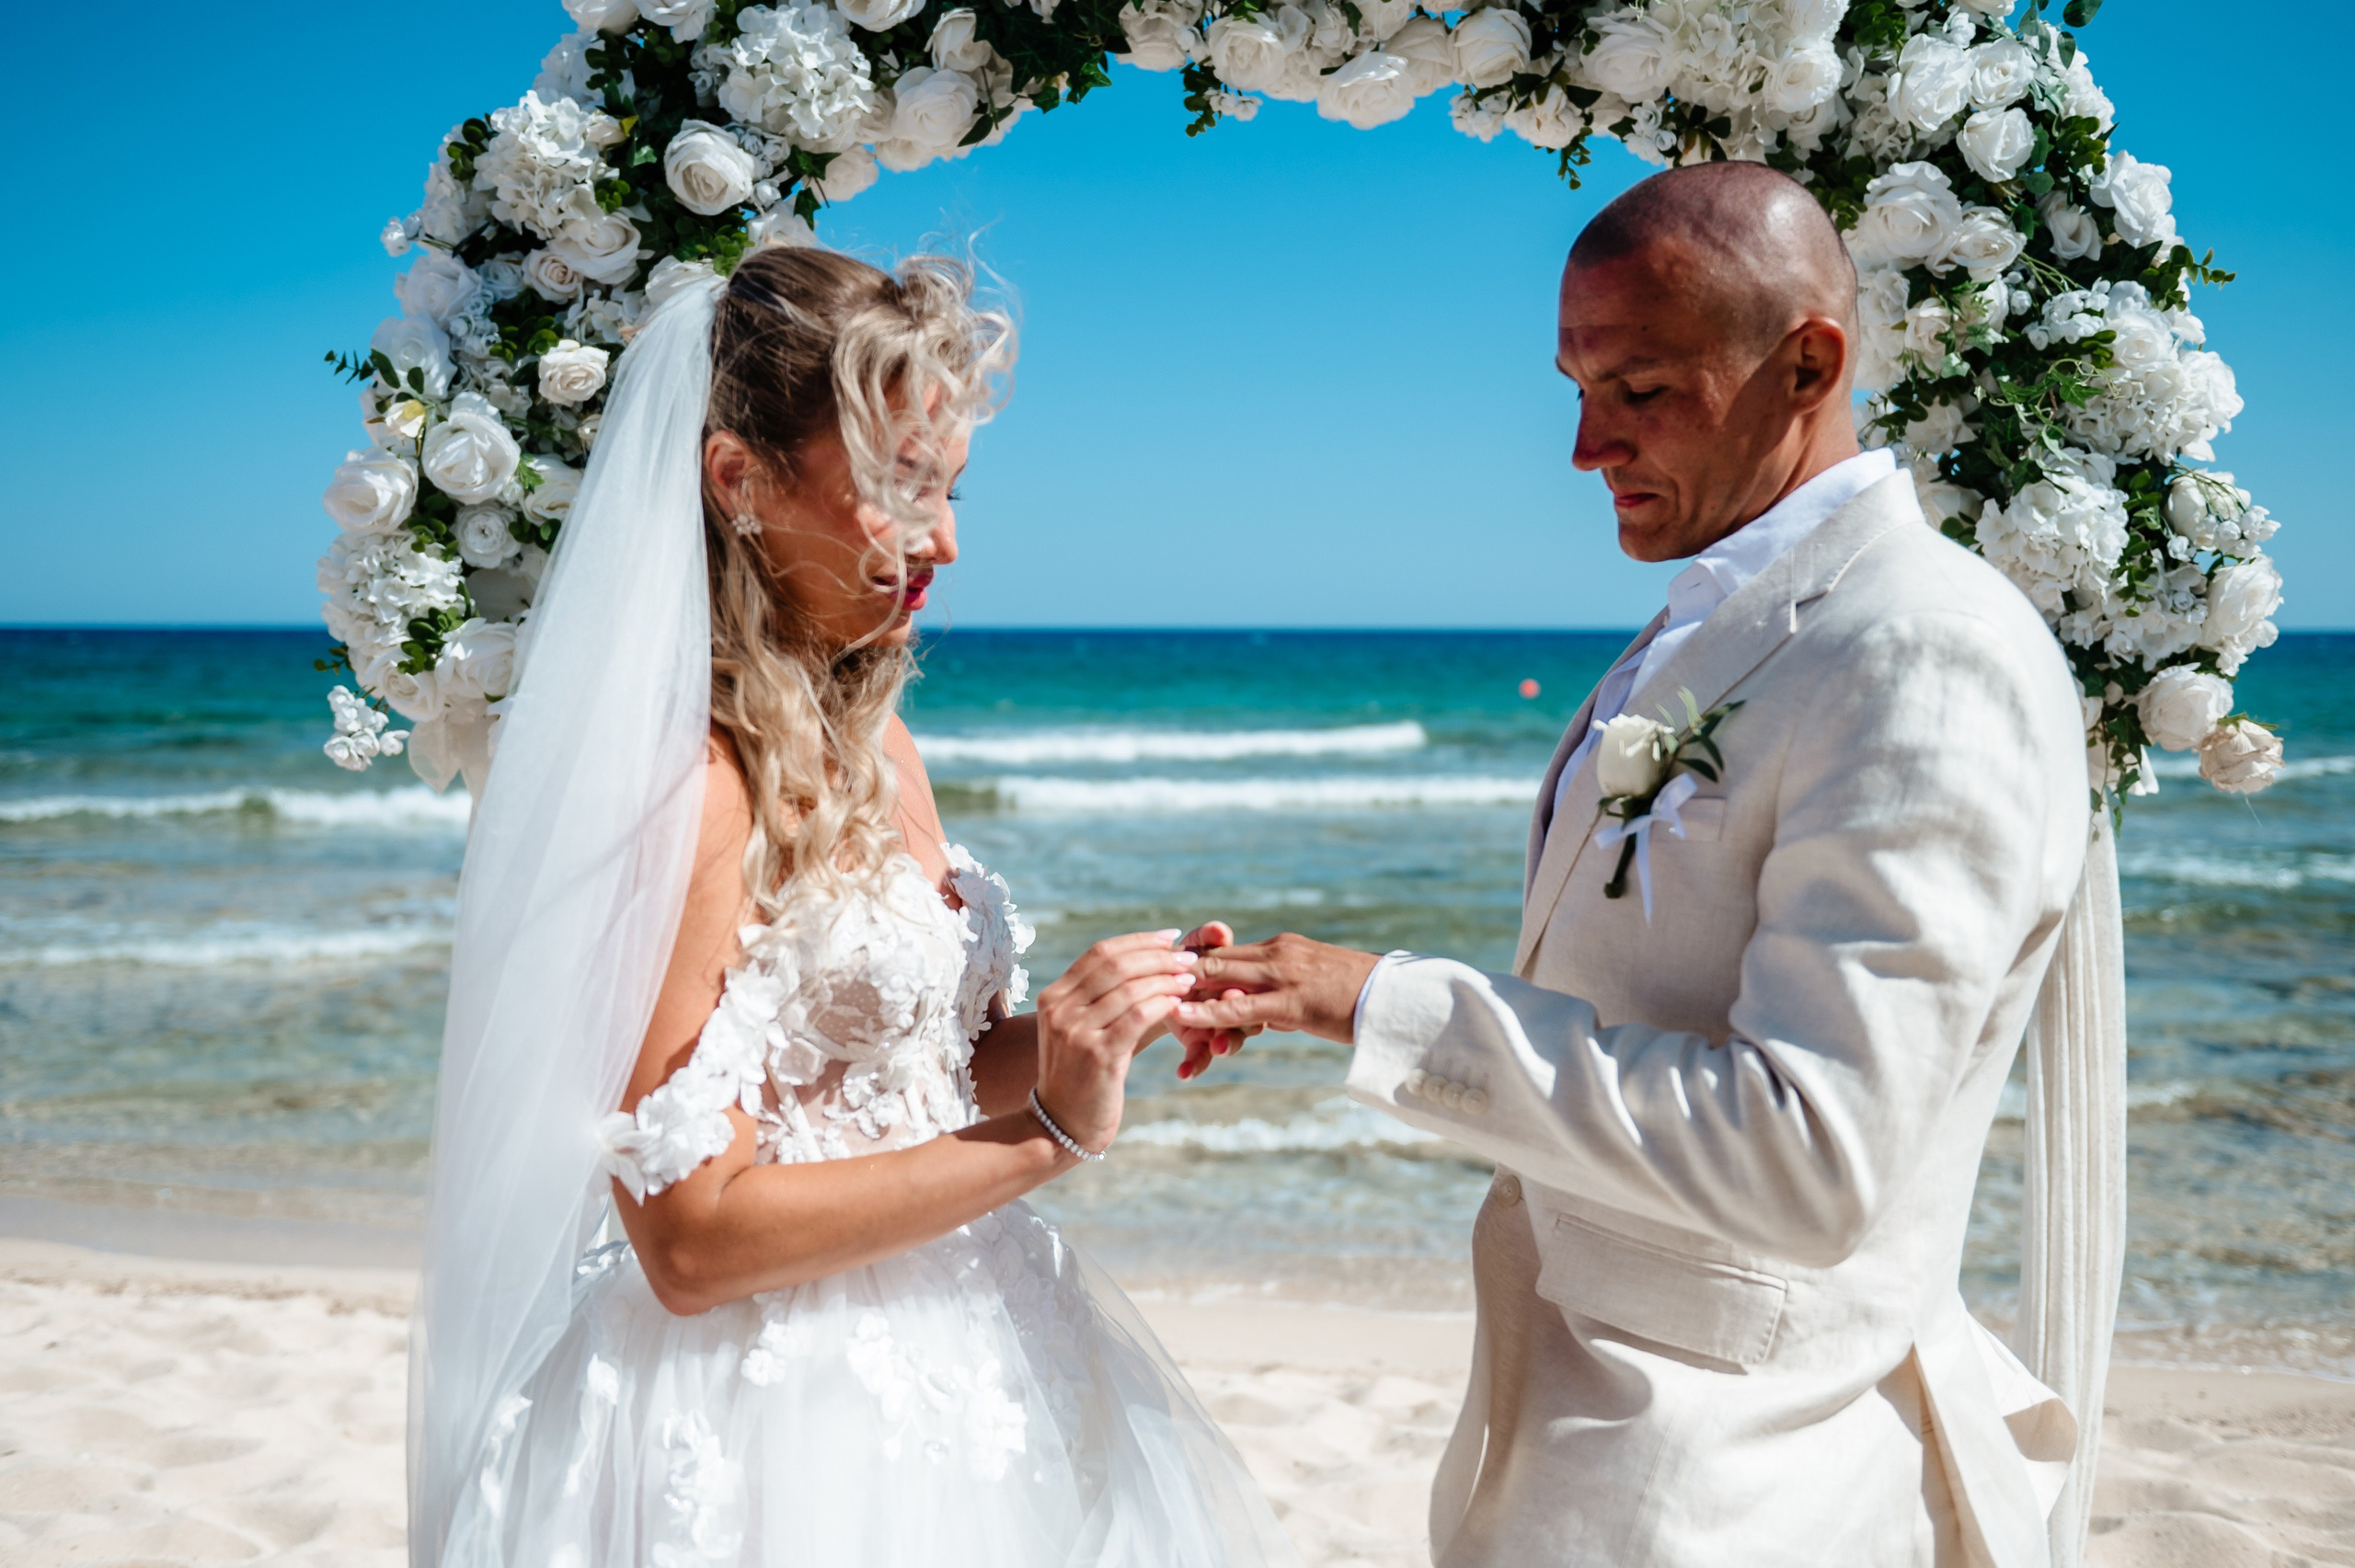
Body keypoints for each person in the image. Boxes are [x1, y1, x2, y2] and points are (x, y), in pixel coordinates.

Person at [1175, 163, 2091, 1566]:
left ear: (1808, 362)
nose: (1585, 446)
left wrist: (1386, 1004)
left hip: (1744, 1469)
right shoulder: (1720, 618)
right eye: (1576, 386)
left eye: (1641, 390)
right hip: (1582, 1420)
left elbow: (1810, 1153)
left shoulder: (1923, 650)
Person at [408, 245, 1298, 1567]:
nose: (947, 537)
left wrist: (1096, 1026)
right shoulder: (687, 788)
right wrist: (1051, 1133)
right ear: (740, 481)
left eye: (948, 483)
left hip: (972, 1362)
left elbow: (918, 1078)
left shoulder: (881, 740)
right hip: (780, 1425)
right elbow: (692, 1242)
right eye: (897, 486)